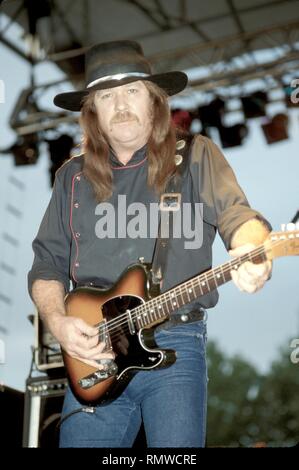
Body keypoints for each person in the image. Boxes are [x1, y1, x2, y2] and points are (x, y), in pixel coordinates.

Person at [28, 40, 272, 448]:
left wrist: (252, 248)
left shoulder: (194, 156)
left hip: (177, 343)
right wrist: (58, 323)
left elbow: (238, 215)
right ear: (93, 113)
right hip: (93, 353)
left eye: (132, 91)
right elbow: (45, 266)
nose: (120, 105)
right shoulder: (70, 178)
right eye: (107, 96)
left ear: (154, 101)